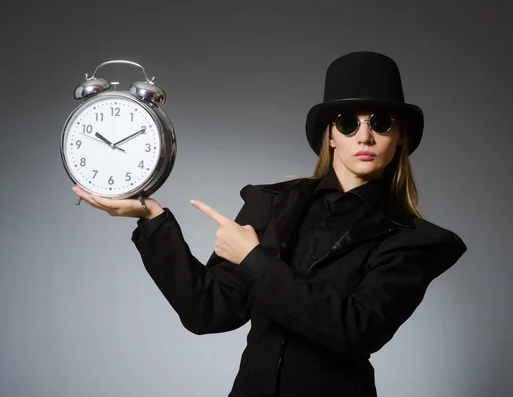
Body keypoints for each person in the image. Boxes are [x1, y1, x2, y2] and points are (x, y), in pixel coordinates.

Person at [72, 51, 467, 397]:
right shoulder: (272, 204)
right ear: (330, 136)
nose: (364, 135)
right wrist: (152, 220)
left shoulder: (415, 241)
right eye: (348, 122)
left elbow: (356, 331)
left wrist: (254, 260)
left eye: (380, 123)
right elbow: (208, 312)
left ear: (399, 138)